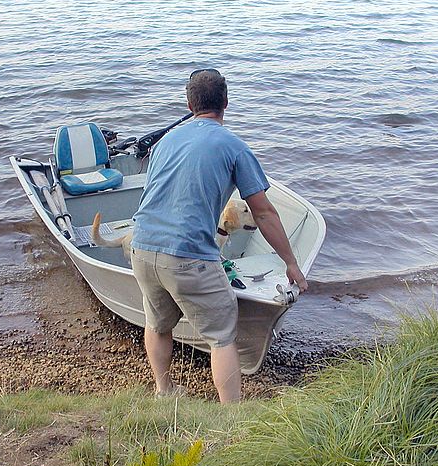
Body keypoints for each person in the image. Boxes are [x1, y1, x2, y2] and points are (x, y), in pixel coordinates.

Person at [130, 68, 308, 403]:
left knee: (157, 325)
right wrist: (291, 263)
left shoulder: (166, 142)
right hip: (188, 256)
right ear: (226, 102)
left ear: (189, 103)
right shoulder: (234, 146)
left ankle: (163, 392)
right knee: (222, 336)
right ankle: (231, 417)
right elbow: (265, 213)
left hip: (141, 247)